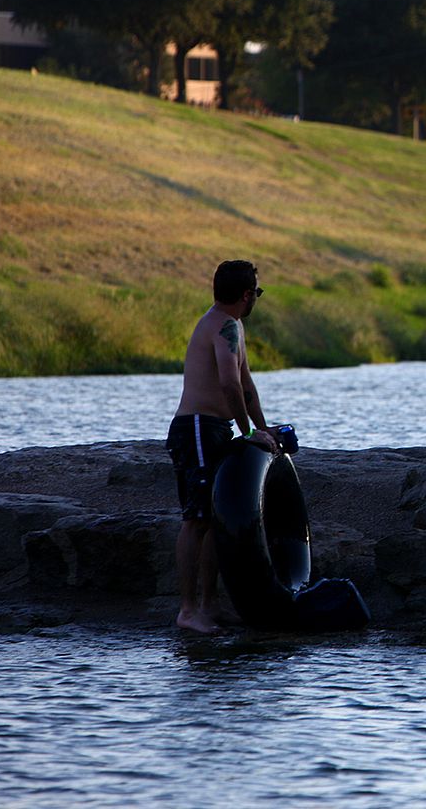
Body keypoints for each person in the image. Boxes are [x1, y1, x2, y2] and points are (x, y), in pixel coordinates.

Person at [167, 260, 278, 634]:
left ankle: (210, 605)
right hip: (196, 427)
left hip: (215, 428)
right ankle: (187, 610)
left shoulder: (234, 326)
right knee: (196, 519)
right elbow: (230, 385)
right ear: (247, 295)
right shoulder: (221, 326)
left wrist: (265, 431)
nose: (256, 299)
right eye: (257, 293)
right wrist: (246, 435)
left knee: (214, 519)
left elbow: (246, 386)